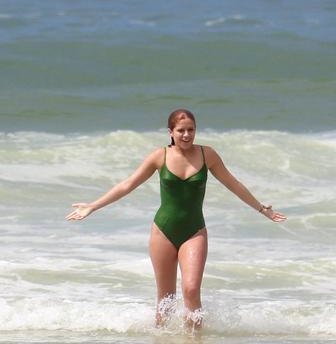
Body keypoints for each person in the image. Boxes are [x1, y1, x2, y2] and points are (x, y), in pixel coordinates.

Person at [66, 109, 286, 329]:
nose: (187, 135)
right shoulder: (159, 156)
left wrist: (261, 208)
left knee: (191, 290)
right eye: (181, 130)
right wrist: (93, 206)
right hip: (163, 231)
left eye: (191, 130)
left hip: (194, 231)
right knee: (166, 300)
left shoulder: (207, 154)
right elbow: (128, 184)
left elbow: (233, 184)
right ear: (170, 132)